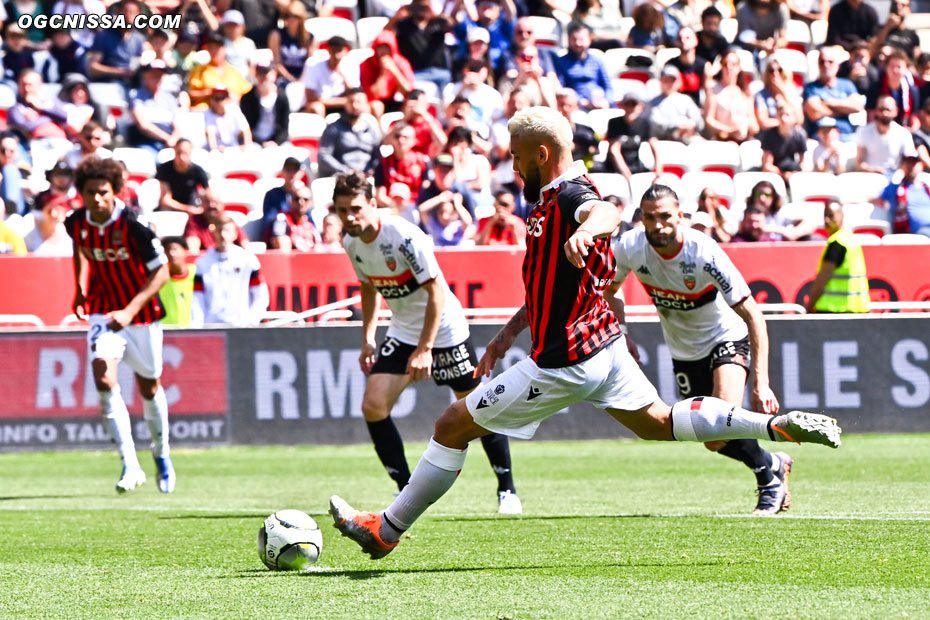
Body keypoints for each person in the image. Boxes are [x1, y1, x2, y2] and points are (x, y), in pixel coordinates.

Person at [328, 106, 842, 560]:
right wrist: (507, 334)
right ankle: (772, 429)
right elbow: (552, 285)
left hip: (565, 362)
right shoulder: (551, 197)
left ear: (542, 153)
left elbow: (608, 211)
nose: (512, 166)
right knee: (659, 422)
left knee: (450, 426)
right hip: (607, 349)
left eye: (516, 157)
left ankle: (385, 530)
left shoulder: (573, 194)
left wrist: (586, 229)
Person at [332, 170, 521, 512]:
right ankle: (406, 489)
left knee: (478, 409)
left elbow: (436, 292)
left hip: (445, 330)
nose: (350, 217)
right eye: (342, 210)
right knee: (373, 406)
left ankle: (507, 489)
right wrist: (368, 338)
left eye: (356, 208)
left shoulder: (404, 236)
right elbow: (369, 287)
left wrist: (425, 349)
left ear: (373, 204)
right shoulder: (350, 242)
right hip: (403, 331)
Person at [608, 185, 793, 515]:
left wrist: (760, 382)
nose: (658, 224)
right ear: (642, 219)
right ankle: (773, 462)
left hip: (725, 338)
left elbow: (753, 313)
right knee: (711, 439)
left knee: (721, 419)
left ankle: (769, 483)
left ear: (680, 216)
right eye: (650, 218)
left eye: (665, 216)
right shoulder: (630, 247)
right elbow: (610, 291)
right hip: (683, 351)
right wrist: (622, 332)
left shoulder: (703, 252)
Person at [65, 156, 175, 494]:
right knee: (103, 375)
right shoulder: (76, 222)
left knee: (149, 387)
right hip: (102, 310)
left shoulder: (134, 225)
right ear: (81, 194)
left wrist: (129, 310)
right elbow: (80, 250)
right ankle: (130, 463)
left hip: (140, 315)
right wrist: (80, 289)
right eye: (90, 193)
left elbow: (163, 272)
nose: (96, 199)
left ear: (114, 191)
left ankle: (161, 454)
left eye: (103, 192)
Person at [191, 216, 269, 327]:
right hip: (212, 327)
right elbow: (197, 298)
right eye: (219, 230)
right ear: (213, 233)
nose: (223, 235)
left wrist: (252, 319)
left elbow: (260, 294)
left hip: (241, 326)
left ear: (235, 234)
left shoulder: (248, 260)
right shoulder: (202, 263)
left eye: (227, 231)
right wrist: (198, 324)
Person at [804, 200, 870, 313]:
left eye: (830, 215)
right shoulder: (851, 240)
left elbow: (822, 279)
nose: (826, 220)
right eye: (825, 216)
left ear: (841, 215)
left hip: (834, 311)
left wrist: (809, 306)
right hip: (856, 311)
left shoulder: (837, 243)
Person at [802, 46, 864, 142]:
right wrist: (843, 110)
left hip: (846, 136)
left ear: (837, 65)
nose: (826, 65)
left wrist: (829, 102)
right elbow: (814, 113)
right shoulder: (811, 87)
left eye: (830, 62)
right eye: (822, 62)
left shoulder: (847, 84)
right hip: (820, 138)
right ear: (818, 65)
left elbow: (857, 106)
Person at [317, 89, 382, 178]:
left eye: (359, 102)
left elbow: (377, 156)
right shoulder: (334, 128)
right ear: (346, 103)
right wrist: (345, 171)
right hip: (341, 178)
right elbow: (324, 155)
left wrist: (371, 170)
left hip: (367, 177)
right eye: (351, 102)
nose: (355, 106)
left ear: (366, 105)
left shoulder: (371, 130)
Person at [552, 22, 612, 110]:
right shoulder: (561, 62)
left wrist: (607, 101)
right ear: (569, 40)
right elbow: (561, 88)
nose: (578, 43)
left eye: (581, 39)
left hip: (600, 105)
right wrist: (581, 101)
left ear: (589, 39)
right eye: (574, 39)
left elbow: (608, 86)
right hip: (575, 107)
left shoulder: (597, 61)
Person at [855, 95, 915, 177]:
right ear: (876, 111)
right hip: (869, 177)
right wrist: (871, 170)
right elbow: (859, 163)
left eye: (888, 110)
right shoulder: (863, 131)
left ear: (896, 111)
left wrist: (899, 174)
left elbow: (910, 160)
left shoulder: (904, 133)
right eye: (881, 109)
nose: (884, 113)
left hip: (894, 178)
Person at [361, 29, 415, 119]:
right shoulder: (366, 64)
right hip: (373, 103)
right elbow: (372, 95)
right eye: (380, 47)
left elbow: (409, 92)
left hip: (393, 101)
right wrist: (383, 72)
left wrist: (395, 72)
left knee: (411, 105)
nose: (383, 51)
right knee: (377, 106)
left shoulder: (401, 63)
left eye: (387, 47)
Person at [301, 36, 358, 117]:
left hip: (344, 106)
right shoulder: (313, 65)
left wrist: (342, 74)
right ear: (328, 50)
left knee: (362, 107)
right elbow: (310, 97)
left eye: (340, 51)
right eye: (334, 51)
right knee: (317, 108)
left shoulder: (351, 65)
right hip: (322, 106)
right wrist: (342, 101)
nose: (337, 55)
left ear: (345, 51)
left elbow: (355, 94)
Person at [239, 60, 289, 148]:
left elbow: (284, 127)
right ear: (255, 75)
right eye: (260, 73)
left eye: (266, 73)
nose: (263, 77)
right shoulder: (247, 98)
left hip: (277, 142)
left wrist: (276, 142)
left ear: (274, 74)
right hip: (254, 142)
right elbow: (246, 127)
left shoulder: (282, 96)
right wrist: (262, 143)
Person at [877, 153, 930, 234]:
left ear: (921, 165)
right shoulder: (896, 189)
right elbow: (875, 198)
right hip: (918, 231)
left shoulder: (927, 187)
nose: (911, 166)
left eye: (914, 163)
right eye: (908, 163)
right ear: (902, 166)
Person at [155, 139, 210, 215]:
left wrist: (201, 208)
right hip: (169, 210)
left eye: (185, 153)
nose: (181, 157)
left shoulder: (198, 171)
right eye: (179, 153)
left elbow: (208, 193)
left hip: (192, 207)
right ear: (174, 151)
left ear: (190, 153)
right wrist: (187, 209)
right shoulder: (165, 169)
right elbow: (165, 201)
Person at [760, 103, 808, 180]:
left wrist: (794, 174)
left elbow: (803, 164)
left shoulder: (800, 135)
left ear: (794, 117)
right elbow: (767, 165)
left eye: (787, 115)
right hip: (774, 174)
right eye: (781, 114)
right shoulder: (769, 135)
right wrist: (782, 175)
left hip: (792, 171)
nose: (783, 118)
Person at [266, 185, 320, 252]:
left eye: (305, 199)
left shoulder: (311, 222)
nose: (301, 202)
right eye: (297, 199)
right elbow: (283, 248)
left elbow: (319, 247)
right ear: (291, 201)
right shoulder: (282, 219)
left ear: (311, 203)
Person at [158, 236, 196, 327]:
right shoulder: (159, 278)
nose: (171, 253)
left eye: (175, 249)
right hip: (167, 332)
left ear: (185, 251)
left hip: (194, 331)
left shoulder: (196, 273)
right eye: (166, 250)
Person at [204, 85, 253, 153]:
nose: (219, 102)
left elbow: (246, 130)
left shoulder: (234, 110)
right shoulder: (208, 114)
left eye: (222, 97)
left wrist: (246, 147)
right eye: (216, 98)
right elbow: (211, 136)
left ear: (228, 99)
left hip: (235, 148)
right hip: (217, 151)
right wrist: (215, 149)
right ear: (211, 99)